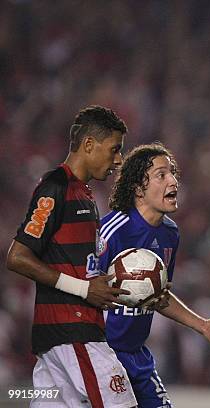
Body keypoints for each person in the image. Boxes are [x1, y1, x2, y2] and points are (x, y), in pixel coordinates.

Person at [6, 106, 138, 407]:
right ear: (89, 145)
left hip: (60, 337)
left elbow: (73, 263)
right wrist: (84, 289)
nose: (118, 160)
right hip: (73, 332)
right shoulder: (56, 187)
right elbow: (18, 256)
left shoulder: (85, 194)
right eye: (114, 150)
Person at [99, 143, 210, 407]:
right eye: (161, 175)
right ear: (138, 188)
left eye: (173, 173)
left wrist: (201, 324)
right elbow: (82, 289)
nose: (174, 180)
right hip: (101, 354)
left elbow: (157, 295)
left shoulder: (169, 233)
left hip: (137, 355)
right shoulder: (112, 231)